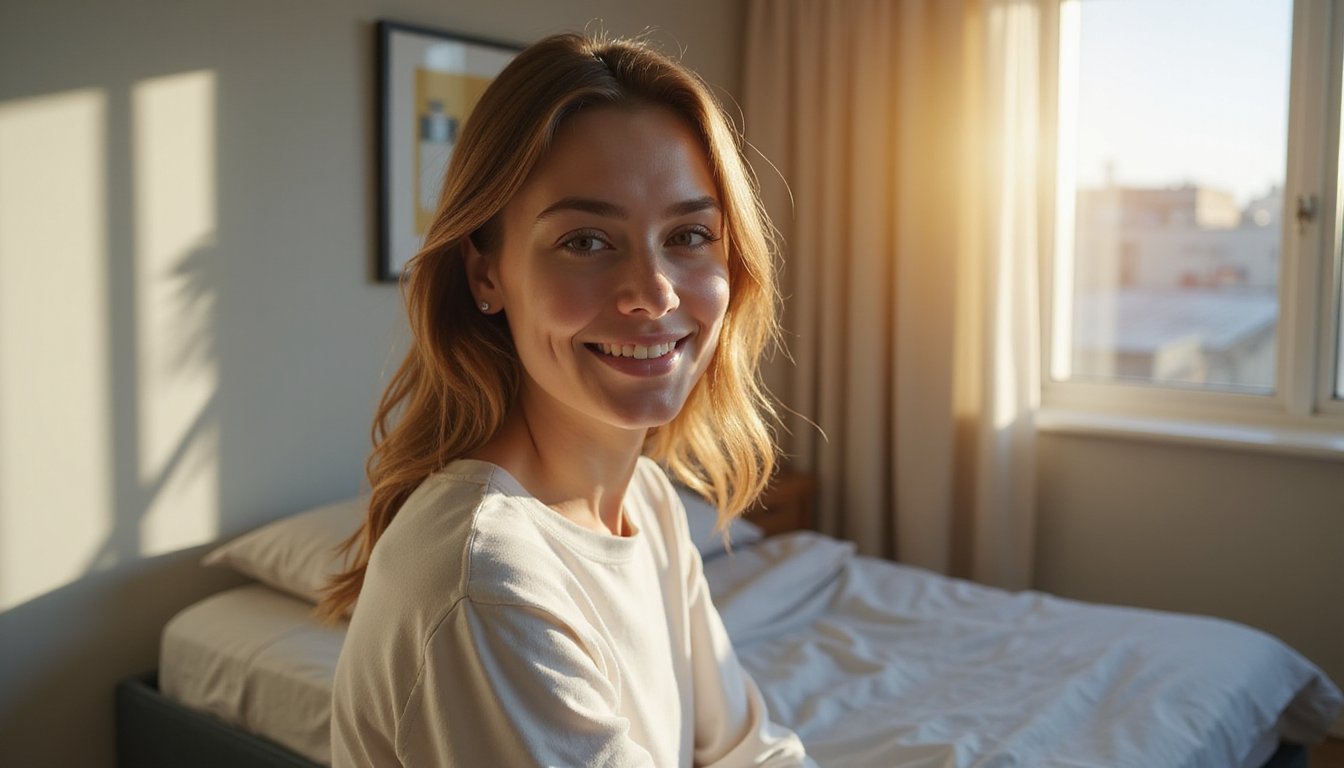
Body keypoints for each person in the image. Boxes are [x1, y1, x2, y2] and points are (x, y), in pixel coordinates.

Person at [322, 31, 813, 767]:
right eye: (586, 242)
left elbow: (750, 750)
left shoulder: (646, 501)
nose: (653, 294)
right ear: (486, 275)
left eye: (688, 234)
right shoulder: (487, 586)